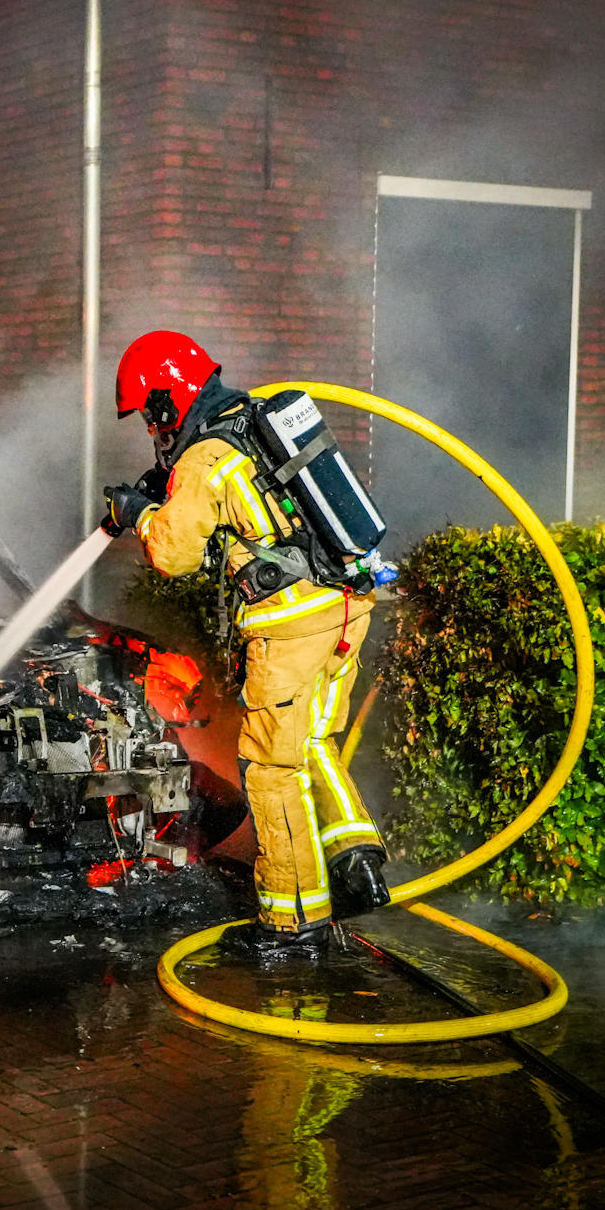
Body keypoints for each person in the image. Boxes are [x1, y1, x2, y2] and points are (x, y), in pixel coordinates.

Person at [103, 331, 390, 958]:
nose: (152, 432)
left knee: (268, 768)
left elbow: (173, 553)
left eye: (150, 418)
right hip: (345, 606)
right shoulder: (251, 423)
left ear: (165, 402)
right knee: (310, 743)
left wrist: (137, 514)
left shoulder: (206, 459)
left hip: (291, 625)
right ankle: (356, 856)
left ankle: (292, 923)